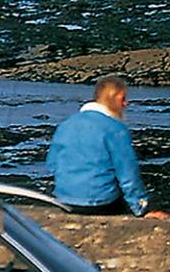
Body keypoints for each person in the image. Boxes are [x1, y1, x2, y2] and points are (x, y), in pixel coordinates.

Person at [47, 76, 150, 216]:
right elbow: (127, 173)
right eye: (122, 98)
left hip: (65, 200)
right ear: (112, 99)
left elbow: (52, 164)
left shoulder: (66, 125)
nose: (126, 103)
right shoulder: (116, 128)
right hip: (100, 202)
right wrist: (140, 208)